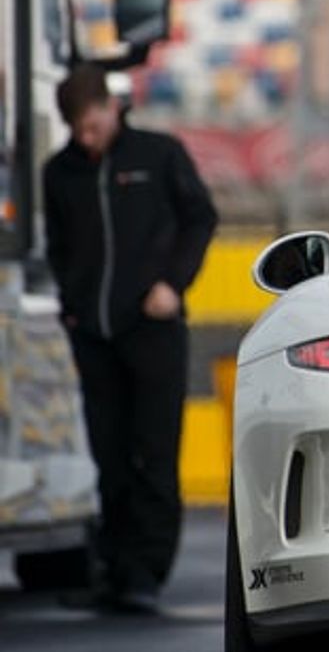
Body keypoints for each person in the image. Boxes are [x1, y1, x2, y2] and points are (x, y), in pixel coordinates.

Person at [42, 63, 217, 613]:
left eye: (92, 125)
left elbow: (201, 218)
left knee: (155, 453)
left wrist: (173, 284)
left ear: (111, 108)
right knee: (109, 455)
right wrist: (72, 307)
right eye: (77, 129)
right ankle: (113, 570)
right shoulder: (60, 172)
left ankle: (147, 570)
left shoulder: (159, 155)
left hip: (153, 329)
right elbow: (60, 246)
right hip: (93, 334)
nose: (86, 138)